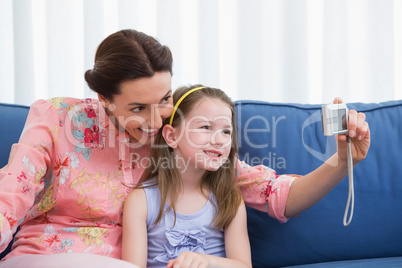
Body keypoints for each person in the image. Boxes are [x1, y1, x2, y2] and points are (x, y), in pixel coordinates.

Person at [0, 29, 370, 267]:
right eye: (136, 108)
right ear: (104, 99)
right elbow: (10, 194)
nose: (153, 120)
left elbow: (277, 195)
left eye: (163, 99)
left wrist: (341, 162)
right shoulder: (56, 117)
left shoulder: (177, 135)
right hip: (44, 257)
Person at [122, 85, 251, 268]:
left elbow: (244, 265)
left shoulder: (229, 199)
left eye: (226, 132)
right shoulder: (141, 200)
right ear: (171, 136)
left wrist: (206, 261)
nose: (219, 140)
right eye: (206, 127)